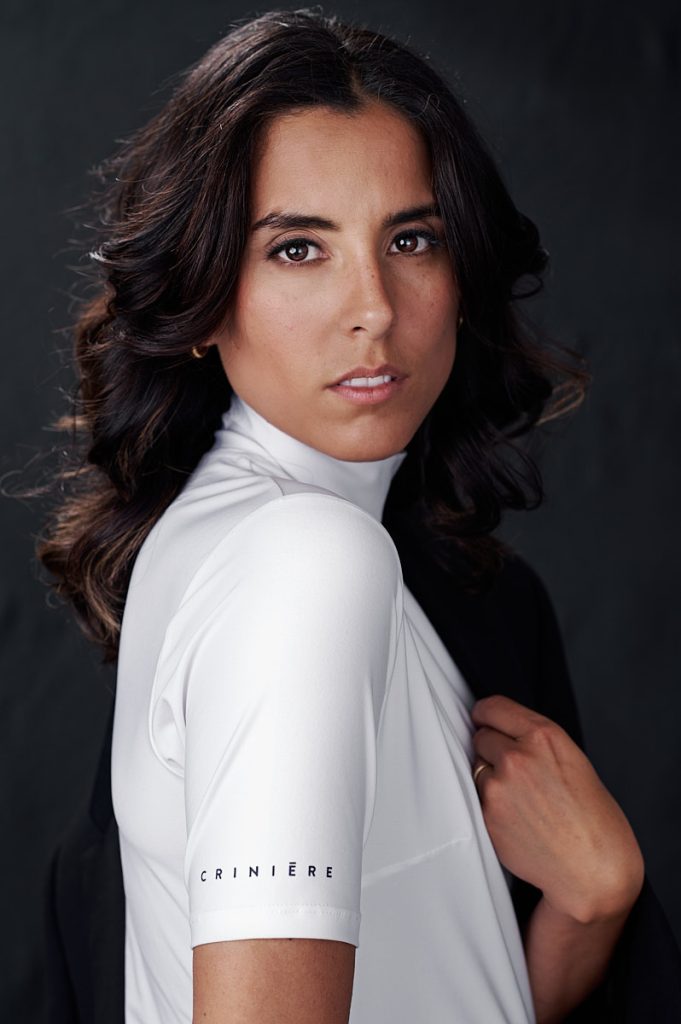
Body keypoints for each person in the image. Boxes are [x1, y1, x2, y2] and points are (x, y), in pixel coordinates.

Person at [37, 8, 681, 1024]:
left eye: (412, 237)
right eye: (299, 249)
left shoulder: (396, 570)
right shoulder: (305, 561)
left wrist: (593, 904)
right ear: (205, 299)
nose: (374, 305)